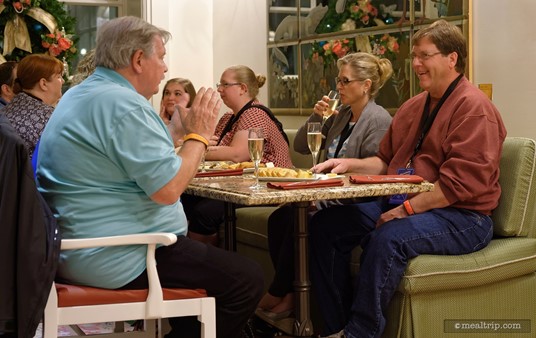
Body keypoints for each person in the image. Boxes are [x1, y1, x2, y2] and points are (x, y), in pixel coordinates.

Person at [36, 16, 263, 338]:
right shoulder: (122, 104)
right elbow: (168, 189)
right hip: (121, 254)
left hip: (73, 247)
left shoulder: (81, 94)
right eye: (162, 57)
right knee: (246, 278)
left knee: (217, 278)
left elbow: (133, 158)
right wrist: (198, 135)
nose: (166, 67)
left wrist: (178, 134)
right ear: (138, 60)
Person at [308, 19, 506, 338]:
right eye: (414, 56)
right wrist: (348, 163)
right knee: (325, 226)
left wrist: (406, 211)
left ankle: (362, 332)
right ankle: (337, 327)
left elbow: (459, 186)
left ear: (452, 58)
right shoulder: (414, 106)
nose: (415, 64)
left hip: (462, 215)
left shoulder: (474, 108)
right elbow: (385, 160)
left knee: (389, 236)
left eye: (424, 56)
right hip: (412, 203)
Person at [258, 52, 394, 319]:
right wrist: (316, 116)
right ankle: (292, 295)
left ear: (365, 85)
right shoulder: (341, 114)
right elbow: (300, 146)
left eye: (345, 81)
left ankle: (280, 293)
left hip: (358, 202)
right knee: (280, 219)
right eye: (338, 80)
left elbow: (372, 172)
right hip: (327, 194)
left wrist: (322, 199)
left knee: (305, 222)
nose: (339, 87)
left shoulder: (377, 119)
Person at [183, 65, 293, 245]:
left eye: (225, 84)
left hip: (266, 188)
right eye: (220, 84)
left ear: (243, 88)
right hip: (240, 185)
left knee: (204, 213)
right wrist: (195, 143)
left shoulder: (255, 113)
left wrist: (192, 148)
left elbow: (236, 155)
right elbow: (212, 146)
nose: (219, 89)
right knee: (184, 199)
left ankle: (204, 267)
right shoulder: (228, 117)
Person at [4, 54, 64, 158]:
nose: (62, 81)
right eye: (58, 77)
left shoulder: (8, 107)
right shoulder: (48, 117)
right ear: (43, 84)